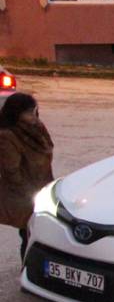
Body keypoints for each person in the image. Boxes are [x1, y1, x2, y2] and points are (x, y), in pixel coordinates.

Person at [0, 93, 54, 263]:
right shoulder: (7, 136)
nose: (33, 115)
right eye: (28, 112)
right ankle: (28, 269)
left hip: (43, 187)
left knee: (40, 233)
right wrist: (28, 192)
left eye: (34, 110)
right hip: (25, 195)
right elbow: (11, 170)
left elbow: (48, 147)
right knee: (29, 234)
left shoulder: (36, 128)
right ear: (16, 113)